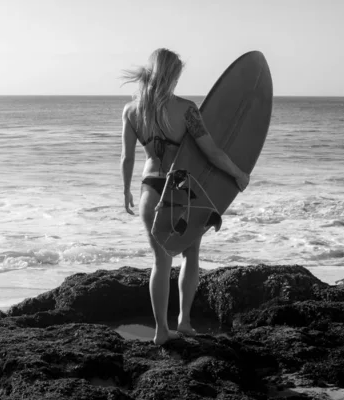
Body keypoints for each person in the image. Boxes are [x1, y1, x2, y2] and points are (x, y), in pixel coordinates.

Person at [120, 48, 249, 345]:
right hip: (181, 190)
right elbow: (212, 153)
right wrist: (238, 174)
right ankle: (185, 321)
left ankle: (161, 332)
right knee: (191, 254)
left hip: (150, 188)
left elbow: (126, 157)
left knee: (160, 262)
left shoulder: (131, 110)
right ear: (173, 74)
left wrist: (125, 189)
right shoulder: (187, 109)